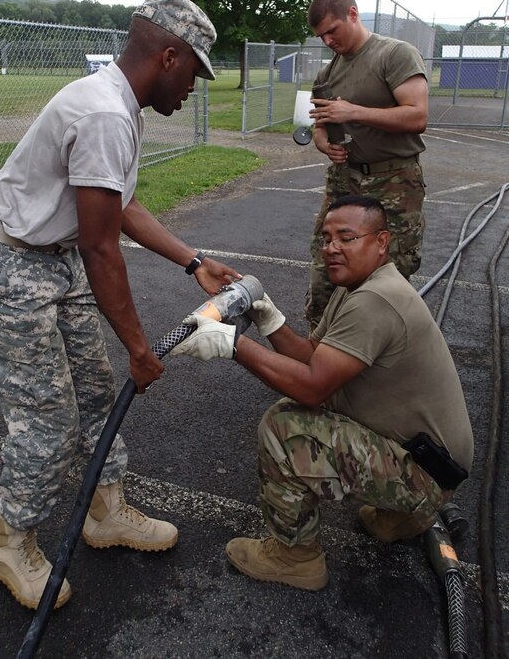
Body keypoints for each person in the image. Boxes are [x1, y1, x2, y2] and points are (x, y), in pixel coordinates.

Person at [0, 0, 241, 610]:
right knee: (47, 421)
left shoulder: (121, 105)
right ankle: (10, 542)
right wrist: (140, 346)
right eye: (194, 70)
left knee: (95, 395)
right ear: (167, 56)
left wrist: (193, 262)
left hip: (56, 260)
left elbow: (121, 204)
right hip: (10, 264)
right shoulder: (105, 112)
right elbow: (103, 249)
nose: (195, 87)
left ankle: (104, 512)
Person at [171, 195, 473, 591]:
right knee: (313, 409)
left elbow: (312, 388)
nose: (331, 248)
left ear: (381, 241)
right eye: (326, 238)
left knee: (285, 426)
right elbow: (313, 357)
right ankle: (402, 516)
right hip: (432, 459)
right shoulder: (358, 287)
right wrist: (270, 319)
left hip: (425, 471)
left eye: (346, 237)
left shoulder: (375, 301)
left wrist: (233, 346)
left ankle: (296, 557)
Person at [305, 0, 429, 330]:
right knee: (327, 270)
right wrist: (323, 144)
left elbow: (417, 115)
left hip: (394, 182)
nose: (328, 41)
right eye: (321, 36)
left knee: (390, 273)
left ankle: (385, 359)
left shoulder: (394, 55)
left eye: (333, 30)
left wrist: (354, 111)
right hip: (345, 180)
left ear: (353, 15)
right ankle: (322, 358)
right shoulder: (327, 74)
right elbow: (319, 124)